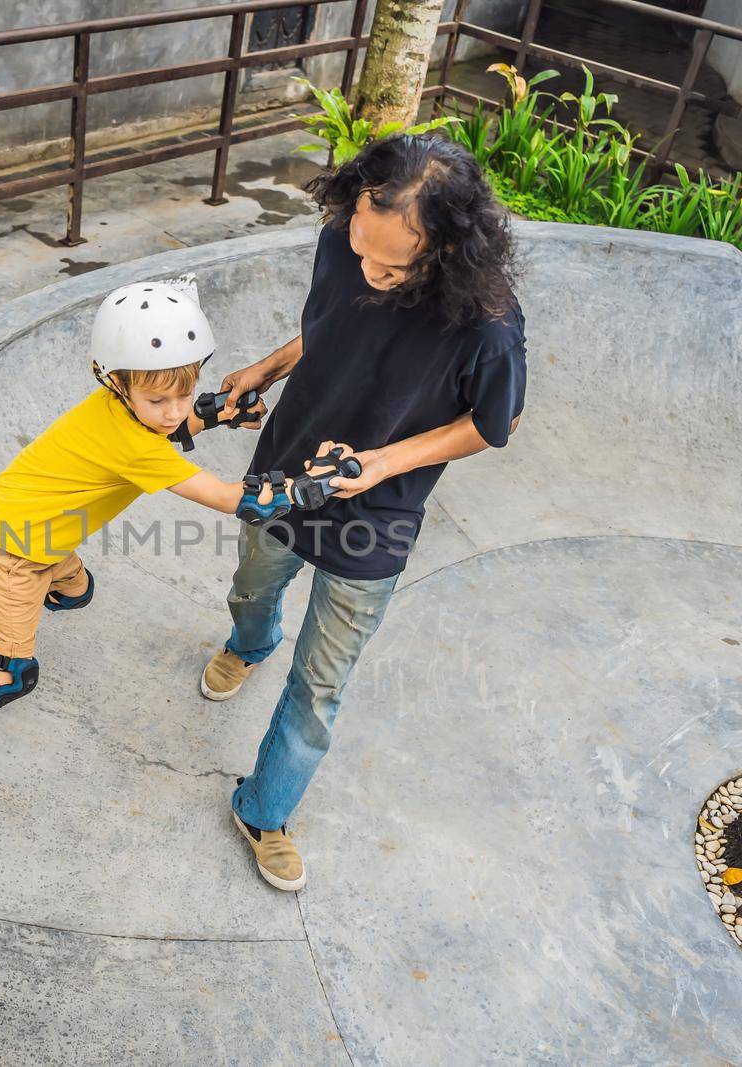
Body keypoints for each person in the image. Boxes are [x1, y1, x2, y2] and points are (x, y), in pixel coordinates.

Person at [0, 276, 326, 814]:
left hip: (28, 533)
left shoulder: (120, 411)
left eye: (184, 392)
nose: (174, 411)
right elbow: (226, 497)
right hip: (13, 553)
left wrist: (217, 409)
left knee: (75, 591)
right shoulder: (134, 443)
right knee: (13, 676)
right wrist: (297, 488)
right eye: (158, 398)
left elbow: (163, 427)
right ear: (116, 382)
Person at [202, 135, 528, 891]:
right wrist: (268, 365)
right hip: (287, 464)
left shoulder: (488, 324)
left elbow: (491, 424)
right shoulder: (343, 240)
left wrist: (380, 462)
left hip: (377, 511)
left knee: (319, 684)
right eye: (362, 250)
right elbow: (332, 324)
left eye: (394, 267)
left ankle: (264, 809)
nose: (372, 274)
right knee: (252, 584)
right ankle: (250, 643)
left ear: (448, 251)